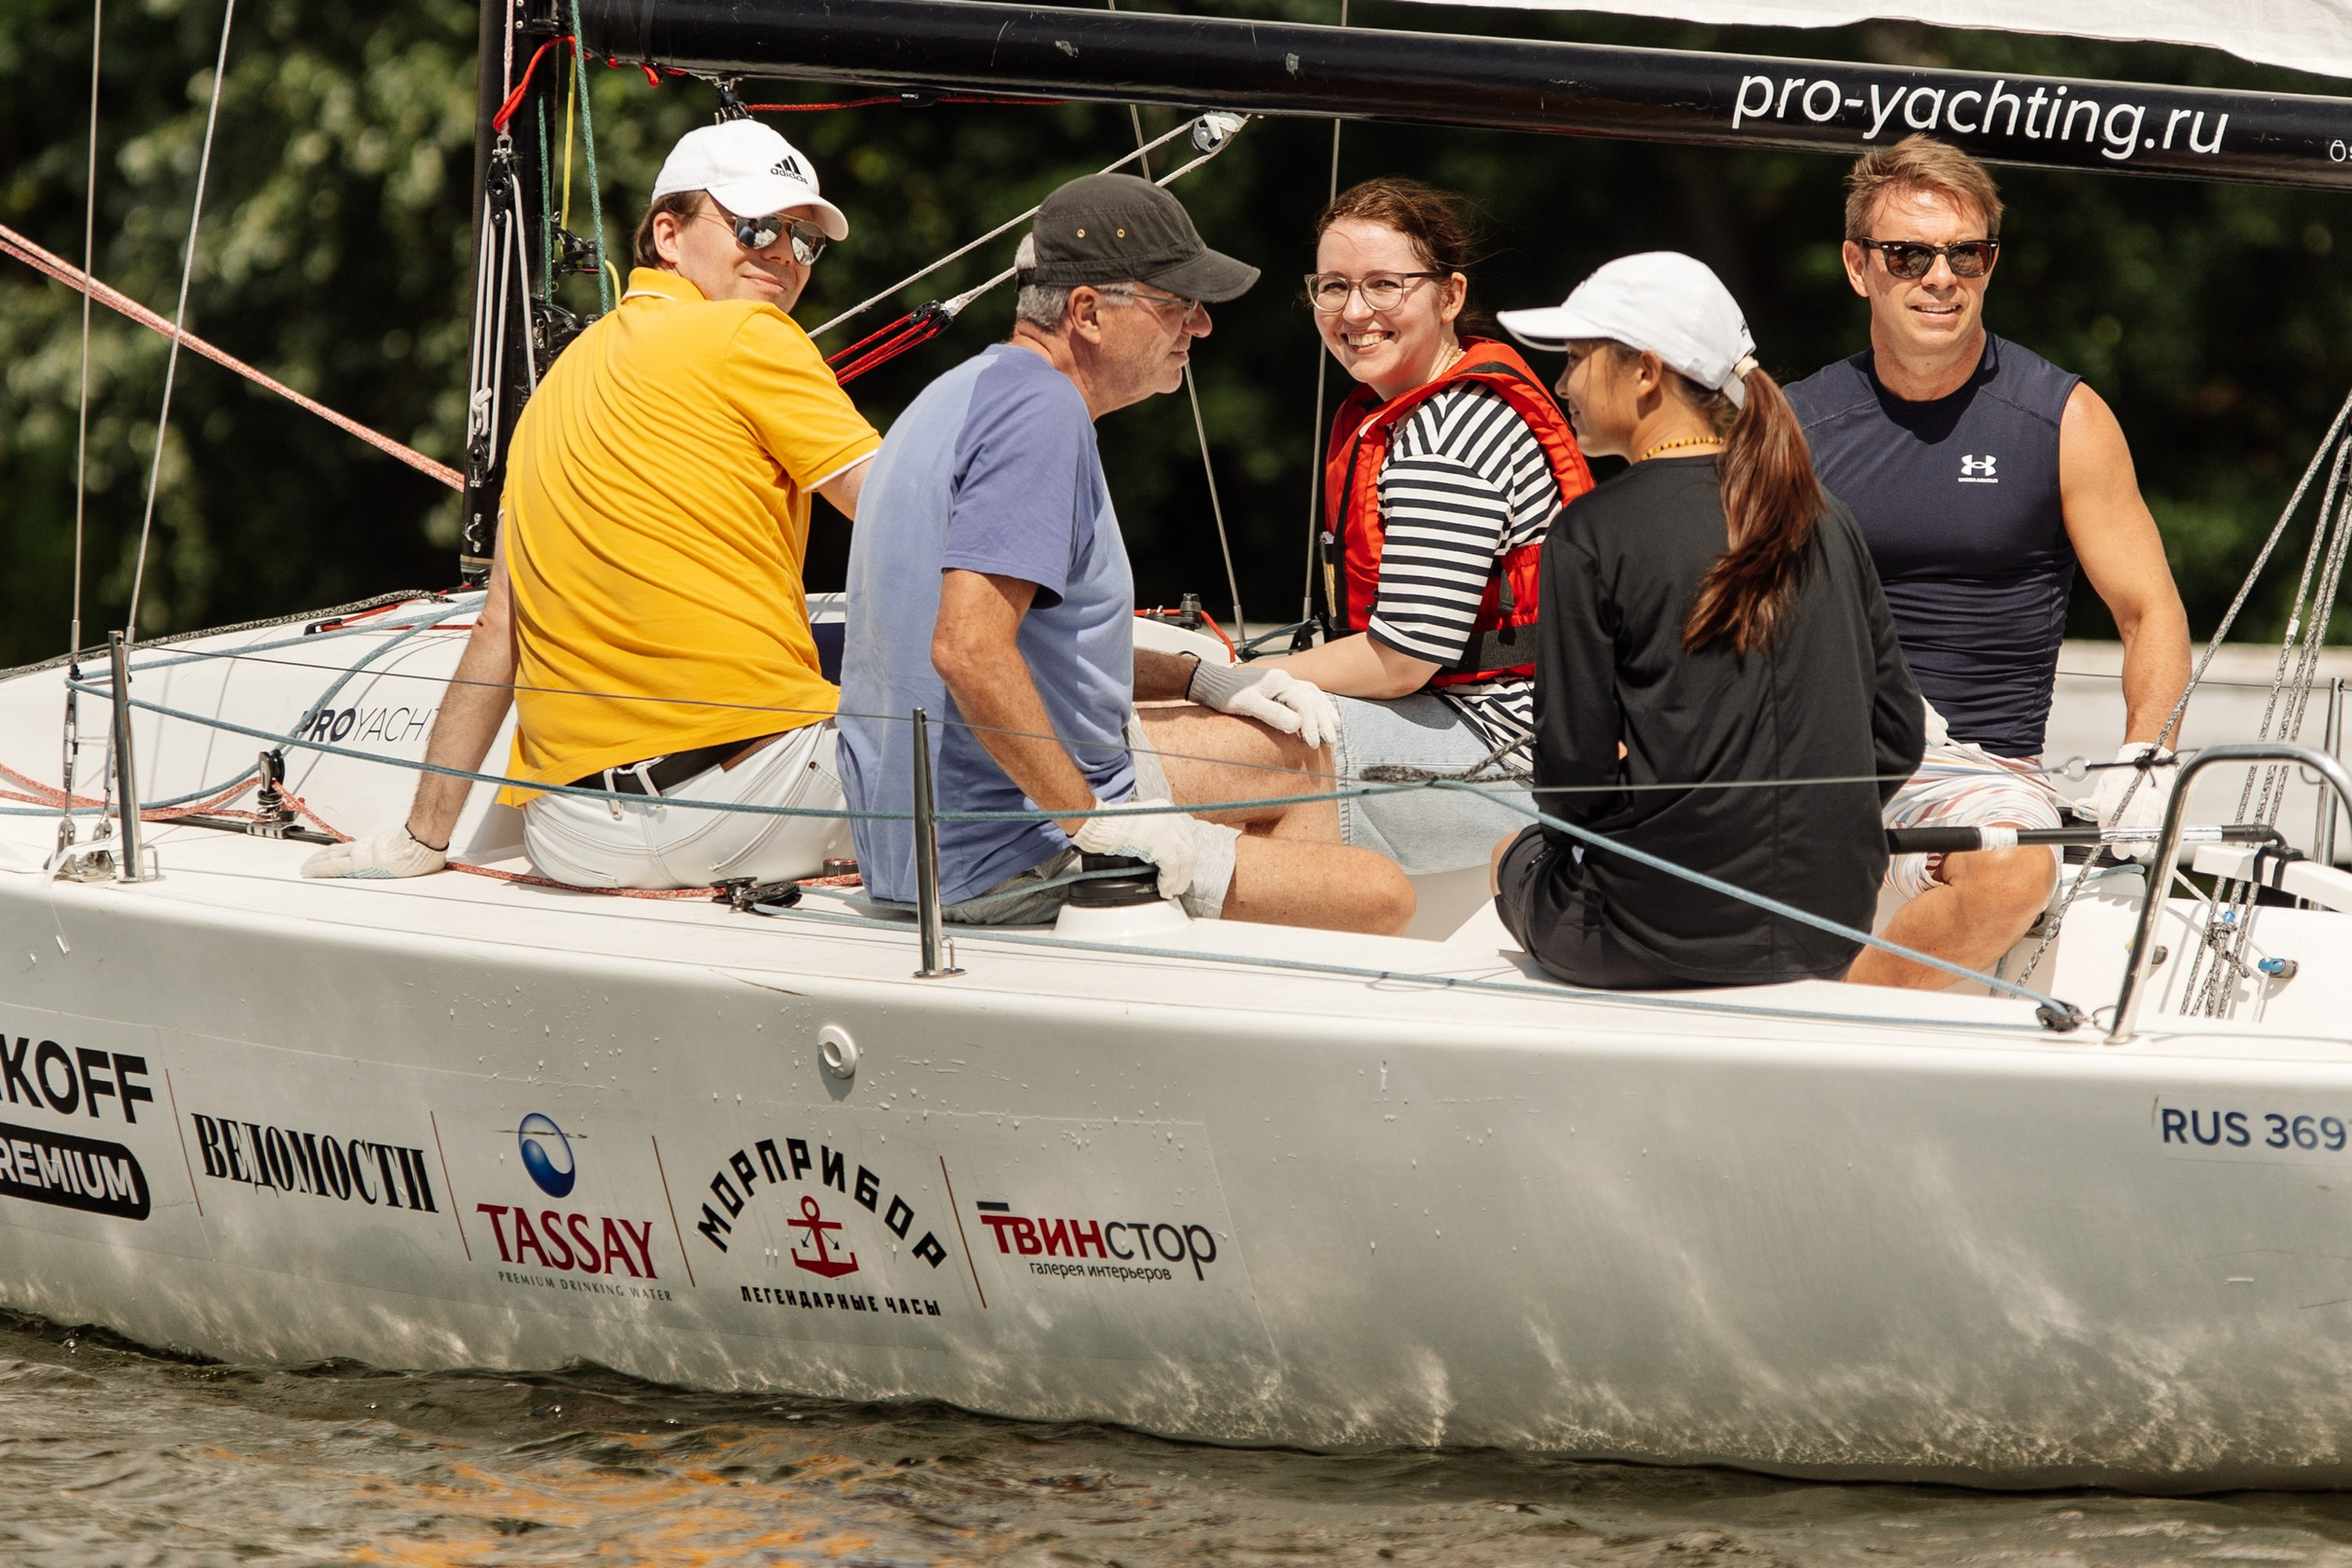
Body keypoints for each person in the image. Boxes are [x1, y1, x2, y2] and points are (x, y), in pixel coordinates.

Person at [303, 120, 876, 887]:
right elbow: (909, 522)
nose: (783, 254)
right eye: (757, 225)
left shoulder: (554, 387)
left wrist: (422, 835)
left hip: (573, 840)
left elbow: (498, 630)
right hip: (749, 808)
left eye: (805, 241)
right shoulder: (751, 333)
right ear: (667, 235)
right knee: (1014, 729)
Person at [837, 174, 1414, 933]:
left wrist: (1203, 676)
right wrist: (1097, 830)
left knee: (1288, 751)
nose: (1201, 327)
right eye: (1177, 303)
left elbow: (1036, 642)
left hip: (919, 847)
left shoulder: (960, 390)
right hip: (1012, 856)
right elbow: (968, 648)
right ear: (1087, 313)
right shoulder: (1042, 417)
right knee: (1380, 895)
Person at [1783, 135, 2193, 989]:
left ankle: (1824, 1035)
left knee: (2014, 870)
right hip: (1810, 753)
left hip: (1974, 774)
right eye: (1909, 254)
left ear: (1989, 264)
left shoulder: (2063, 417)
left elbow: (2148, 609)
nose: (1941, 276)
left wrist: (2145, 757)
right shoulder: (1794, 425)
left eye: (1964, 253)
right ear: (1859, 267)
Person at [1489, 253, 1925, 988]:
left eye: (1574, 358)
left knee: (1511, 850)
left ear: (1645, 372)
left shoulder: (1590, 533)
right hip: (1831, 926)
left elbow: (1572, 791)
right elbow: (1896, 734)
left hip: (1653, 935)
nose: (1560, 383)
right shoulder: (1823, 515)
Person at [1145, 178, 1593, 876]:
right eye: (1333, 287)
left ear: (1450, 297)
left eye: (1385, 285)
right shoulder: (1411, 412)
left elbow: (1401, 658)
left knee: (1184, 751)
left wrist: (1234, 678)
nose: (1355, 312)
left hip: (1507, 754)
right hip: (1448, 719)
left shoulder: (1449, 435)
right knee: (1187, 729)